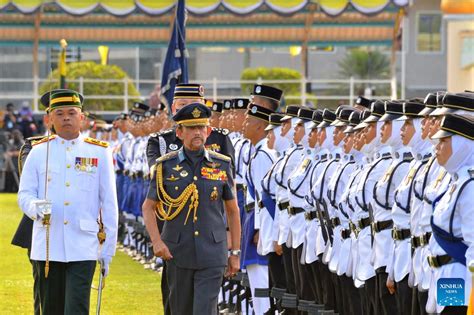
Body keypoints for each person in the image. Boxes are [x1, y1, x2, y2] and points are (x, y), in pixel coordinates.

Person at [17, 89, 119, 314]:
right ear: (49, 118)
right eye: (59, 113)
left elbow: (109, 203)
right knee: (50, 309)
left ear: (82, 117)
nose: (66, 118)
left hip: (84, 245)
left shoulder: (99, 152)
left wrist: (108, 249)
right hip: (47, 245)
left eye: (72, 113)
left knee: (77, 308)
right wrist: (36, 207)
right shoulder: (38, 151)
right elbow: (24, 194)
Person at [142, 103, 241, 315]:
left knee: (205, 311)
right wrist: (157, 242)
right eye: (191, 127)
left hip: (212, 252)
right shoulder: (164, 166)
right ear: (179, 132)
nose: (197, 132)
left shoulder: (222, 164)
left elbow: (233, 210)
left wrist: (235, 252)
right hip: (178, 252)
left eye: (201, 127)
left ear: (208, 131)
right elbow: (148, 208)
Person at [426, 113, 473, 315]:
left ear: (462, 145)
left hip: (458, 275)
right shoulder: (457, 182)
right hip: (444, 275)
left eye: (444, 141)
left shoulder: (470, 186)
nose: (437, 147)